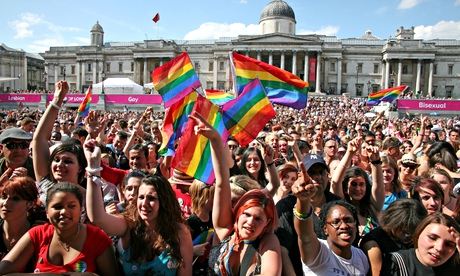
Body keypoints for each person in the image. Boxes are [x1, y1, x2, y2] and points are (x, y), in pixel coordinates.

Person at [189, 111, 281, 275]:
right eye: (246, 214)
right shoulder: (224, 230)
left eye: (258, 218)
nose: (250, 222)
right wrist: (215, 140)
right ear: (238, 213)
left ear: (267, 222)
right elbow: (222, 182)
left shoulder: (268, 242)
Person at [84, 139, 193, 275]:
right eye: (141, 197)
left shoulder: (179, 233)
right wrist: (93, 167)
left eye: (151, 198)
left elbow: (186, 272)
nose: (144, 203)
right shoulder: (128, 225)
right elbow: (97, 217)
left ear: (164, 202)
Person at [0, 182, 119, 274]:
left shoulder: (97, 238)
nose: (64, 211)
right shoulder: (38, 234)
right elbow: (3, 271)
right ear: (47, 212)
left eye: (71, 206)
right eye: (57, 207)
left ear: (81, 210)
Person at [292, 172, 369, 275]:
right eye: (336, 222)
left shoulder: (361, 257)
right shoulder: (318, 253)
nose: (344, 226)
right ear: (325, 229)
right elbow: (305, 235)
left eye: (348, 220)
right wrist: (303, 200)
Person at [32, 81, 87, 205]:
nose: (60, 164)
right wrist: (57, 100)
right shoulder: (46, 186)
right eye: (56, 160)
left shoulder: (89, 198)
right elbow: (39, 139)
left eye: (68, 161)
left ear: (80, 168)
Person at [360, 199, 428, 276]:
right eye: (403, 230)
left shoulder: (415, 239)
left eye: (412, 231)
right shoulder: (373, 245)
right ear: (392, 222)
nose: (407, 236)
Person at [381, 213, 460, 275]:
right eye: (432, 238)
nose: (439, 248)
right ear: (418, 234)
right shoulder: (395, 263)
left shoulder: (454, 268)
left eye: (449, 244)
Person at [0, 177, 44, 261]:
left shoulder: (41, 233)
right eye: (3, 197)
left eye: (15, 199)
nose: (6, 203)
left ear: (30, 204)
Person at [187, 180, 214, 275]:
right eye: (213, 196)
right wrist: (193, 251)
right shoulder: (191, 222)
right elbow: (182, 250)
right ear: (204, 198)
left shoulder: (214, 217)